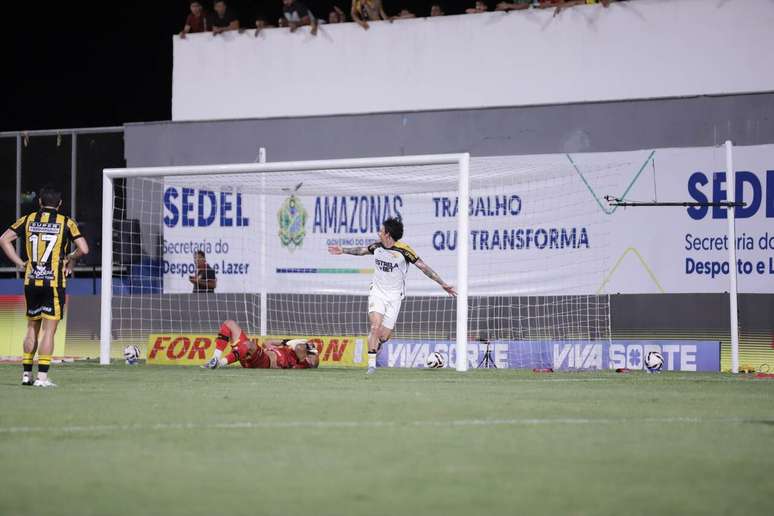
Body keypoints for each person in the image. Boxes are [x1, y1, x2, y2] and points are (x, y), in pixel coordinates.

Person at [329, 217, 455, 374]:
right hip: (377, 292)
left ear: (387, 234)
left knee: (384, 335)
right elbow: (361, 251)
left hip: (395, 297)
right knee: (374, 327)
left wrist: (442, 283)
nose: (378, 233)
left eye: (381, 231)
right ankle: (371, 366)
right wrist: (343, 250)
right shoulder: (377, 247)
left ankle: (379, 341)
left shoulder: (404, 250)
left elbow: (424, 267)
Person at [0, 186, 89, 387]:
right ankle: (41, 377)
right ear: (59, 204)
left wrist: (19, 262)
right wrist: (69, 257)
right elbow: (83, 249)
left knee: (32, 327)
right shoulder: (66, 222)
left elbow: (4, 239)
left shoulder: (29, 219)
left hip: (31, 281)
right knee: (49, 331)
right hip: (54, 282)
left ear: (39, 202)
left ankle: (25, 375)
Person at [202, 320, 319, 369]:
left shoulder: (303, 361)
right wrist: (285, 342)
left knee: (249, 345)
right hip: (253, 355)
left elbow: (303, 348)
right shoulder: (289, 349)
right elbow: (267, 342)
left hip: (264, 361)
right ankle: (215, 358)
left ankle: (220, 363)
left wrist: (305, 345)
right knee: (229, 323)